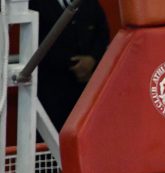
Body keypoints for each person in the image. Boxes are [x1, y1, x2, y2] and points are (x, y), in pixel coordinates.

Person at [29, 0, 110, 130]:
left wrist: (92, 59)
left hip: (87, 88)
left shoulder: (88, 2)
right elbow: (33, 41)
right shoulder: (35, 4)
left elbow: (102, 32)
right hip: (51, 91)